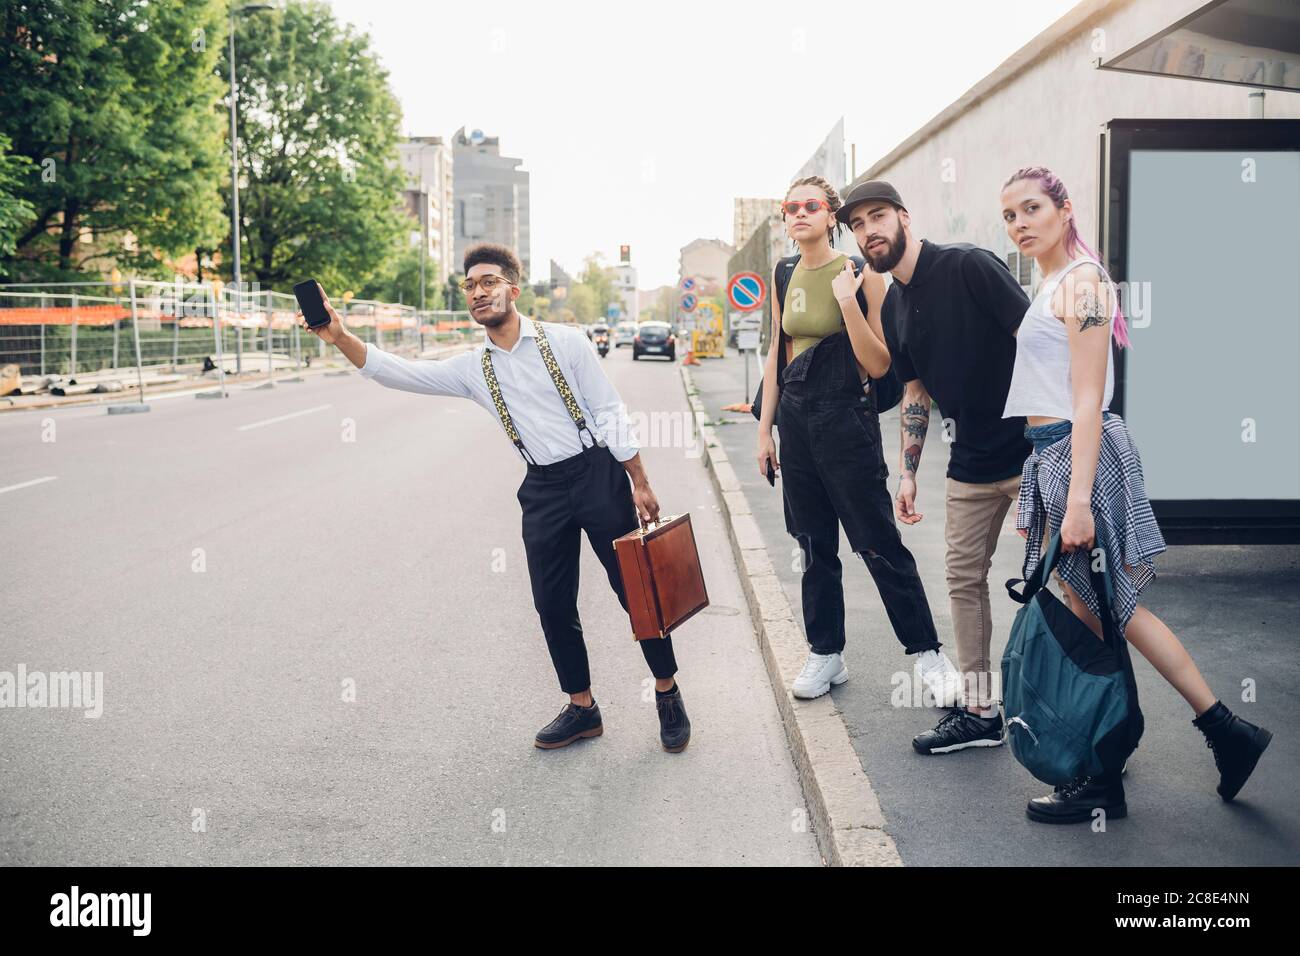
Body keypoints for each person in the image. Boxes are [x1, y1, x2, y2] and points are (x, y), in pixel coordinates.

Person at [300, 243, 690, 753]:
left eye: (489, 282)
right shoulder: (474, 367)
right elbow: (398, 371)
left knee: (634, 590)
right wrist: (339, 336)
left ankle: (667, 692)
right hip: (543, 488)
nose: (479, 292)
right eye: (470, 286)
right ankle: (582, 708)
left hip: (596, 474)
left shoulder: (566, 343)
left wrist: (637, 478)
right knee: (551, 603)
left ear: (513, 288)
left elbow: (609, 410)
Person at [1000, 166, 1271, 822]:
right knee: (1095, 608)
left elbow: (1090, 397)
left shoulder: (1084, 283)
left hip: (1079, 453)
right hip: (1053, 456)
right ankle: (1120, 748)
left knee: (1113, 607)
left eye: (1032, 208)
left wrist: (1081, 498)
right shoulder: (1053, 283)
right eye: (1009, 215)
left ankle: (1195, 737)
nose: (1020, 223)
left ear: (1066, 211)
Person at [842, 180, 1031, 753]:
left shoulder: (971, 267)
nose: (869, 230)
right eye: (856, 225)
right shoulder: (895, 305)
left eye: (878, 216)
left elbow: (1039, 344)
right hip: (969, 465)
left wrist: (1055, 447)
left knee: (1067, 588)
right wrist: (907, 472)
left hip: (1033, 457)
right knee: (963, 580)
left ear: (903, 216)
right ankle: (980, 711)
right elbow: (915, 392)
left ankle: (1093, 723)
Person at [755, 176, 957, 702]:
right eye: (790, 206)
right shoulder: (782, 273)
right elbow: (779, 349)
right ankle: (826, 653)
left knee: (877, 542)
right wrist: (764, 431)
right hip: (796, 422)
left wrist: (847, 303)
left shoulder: (862, 273)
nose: (799, 213)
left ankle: (928, 655)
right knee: (813, 544)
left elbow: (880, 362)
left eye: (811, 206)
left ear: (830, 216)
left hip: (847, 418)